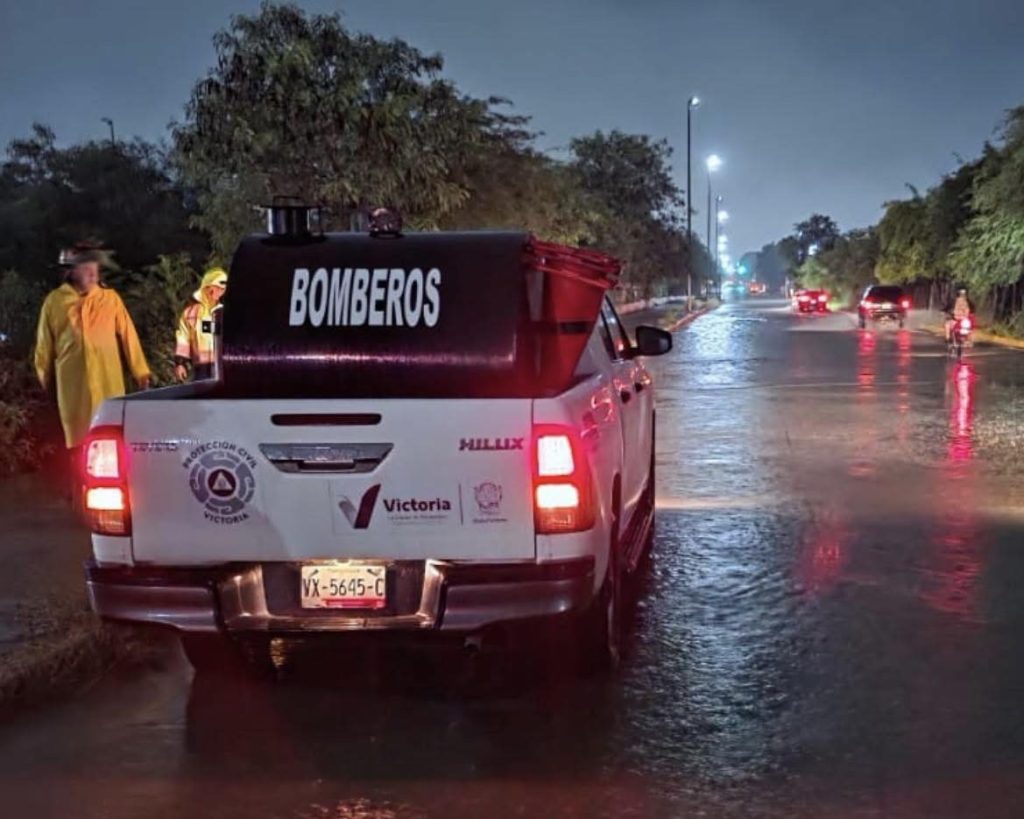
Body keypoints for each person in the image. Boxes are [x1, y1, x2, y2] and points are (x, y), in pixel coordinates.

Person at [34, 244, 151, 491]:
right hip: (73, 388)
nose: (92, 273)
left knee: (112, 440)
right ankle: (81, 492)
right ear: (70, 271)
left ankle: (118, 492)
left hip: (109, 384)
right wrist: (43, 380)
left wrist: (141, 371)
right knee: (79, 446)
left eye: (95, 267)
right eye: (85, 267)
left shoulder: (110, 299)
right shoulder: (54, 302)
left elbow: (128, 335)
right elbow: (44, 347)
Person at [174, 268, 227, 381]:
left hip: (224, 367)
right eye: (217, 288)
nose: (220, 291)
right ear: (207, 287)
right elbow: (183, 339)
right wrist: (180, 363)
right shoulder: (191, 313)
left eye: (222, 289)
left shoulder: (225, 312)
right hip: (201, 369)